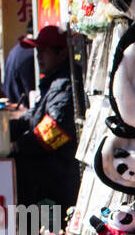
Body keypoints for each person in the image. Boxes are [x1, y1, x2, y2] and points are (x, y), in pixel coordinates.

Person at [10, 26, 81, 213]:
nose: (39, 56)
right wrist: (4, 130)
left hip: (58, 179)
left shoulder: (65, 84)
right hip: (48, 176)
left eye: (45, 51)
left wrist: (19, 146)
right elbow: (34, 117)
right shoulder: (52, 82)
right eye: (37, 51)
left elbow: (56, 129)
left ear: (62, 53)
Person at [0, 29, 36, 108]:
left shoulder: (15, 50)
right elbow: (30, 89)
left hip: (11, 105)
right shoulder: (31, 53)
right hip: (20, 109)